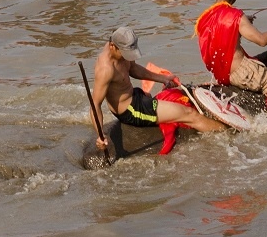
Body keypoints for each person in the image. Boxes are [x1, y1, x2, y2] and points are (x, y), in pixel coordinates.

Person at [90, 26, 225, 158]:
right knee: (189, 113)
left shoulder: (122, 46)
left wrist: (163, 79)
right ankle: (228, 136)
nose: (128, 57)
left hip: (135, 95)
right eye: (125, 54)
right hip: (131, 110)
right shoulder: (105, 69)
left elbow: (133, 69)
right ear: (112, 46)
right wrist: (100, 134)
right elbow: (95, 105)